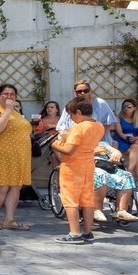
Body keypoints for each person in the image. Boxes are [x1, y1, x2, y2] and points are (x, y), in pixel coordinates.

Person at [50, 98, 103, 243]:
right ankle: (88, 231)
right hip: (88, 165)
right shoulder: (99, 125)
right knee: (87, 200)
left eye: (72, 115)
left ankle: (74, 233)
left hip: (72, 167)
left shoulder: (77, 128)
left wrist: (54, 144)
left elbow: (69, 150)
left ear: (78, 112)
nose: (72, 119)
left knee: (70, 200)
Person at [0, 84, 33, 230]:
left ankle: (9, 219)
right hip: (1, 154)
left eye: (12, 94)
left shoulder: (16, 113)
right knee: (2, 186)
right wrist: (8, 110)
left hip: (19, 155)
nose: (9, 97)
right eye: (5, 94)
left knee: (15, 186)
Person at [57, 80, 117, 146]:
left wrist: (92, 135)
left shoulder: (100, 103)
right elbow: (61, 126)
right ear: (75, 93)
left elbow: (109, 123)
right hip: (74, 141)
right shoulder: (71, 105)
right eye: (79, 91)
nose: (82, 93)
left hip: (98, 141)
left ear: (90, 91)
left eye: (86, 91)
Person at [113, 98, 138, 189]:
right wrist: (128, 139)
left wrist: (135, 138)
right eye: (124, 107)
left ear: (134, 108)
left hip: (134, 140)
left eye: (129, 107)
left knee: (136, 146)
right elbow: (120, 133)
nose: (126, 108)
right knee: (137, 153)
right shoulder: (118, 118)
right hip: (122, 140)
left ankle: (129, 172)